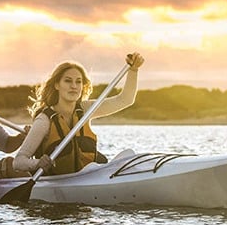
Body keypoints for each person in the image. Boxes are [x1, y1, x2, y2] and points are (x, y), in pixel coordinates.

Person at [13, 52, 144, 176]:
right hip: (58, 181)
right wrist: (37, 163)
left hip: (87, 176)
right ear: (57, 85)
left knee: (128, 154)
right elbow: (18, 161)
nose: (74, 86)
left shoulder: (86, 109)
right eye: (68, 81)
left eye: (78, 81)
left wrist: (133, 70)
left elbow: (125, 100)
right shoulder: (44, 120)